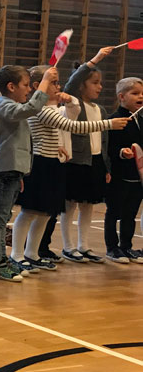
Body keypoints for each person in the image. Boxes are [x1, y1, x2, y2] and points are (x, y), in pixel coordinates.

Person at [11, 65, 125, 275]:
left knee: (45, 213)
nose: (58, 86)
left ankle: (32, 254)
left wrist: (58, 146)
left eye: (58, 82)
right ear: (37, 85)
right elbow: (72, 126)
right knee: (29, 212)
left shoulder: (51, 108)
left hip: (52, 163)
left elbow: (60, 127)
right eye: (53, 82)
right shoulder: (40, 109)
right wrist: (108, 124)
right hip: (39, 165)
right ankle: (16, 255)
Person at [0, 65, 53, 282]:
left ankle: (2, 261)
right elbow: (31, 108)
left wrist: (21, 172)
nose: (29, 90)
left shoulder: (11, 104)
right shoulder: (5, 105)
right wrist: (45, 82)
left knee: (4, 217)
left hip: (13, 171)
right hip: (3, 170)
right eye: (26, 85)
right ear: (11, 87)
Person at [60, 47, 117, 263]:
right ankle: (68, 247)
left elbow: (104, 141)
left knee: (88, 206)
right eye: (95, 82)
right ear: (82, 84)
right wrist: (96, 59)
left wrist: (106, 167)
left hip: (95, 162)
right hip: (76, 163)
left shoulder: (100, 110)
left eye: (100, 83)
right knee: (69, 206)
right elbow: (70, 85)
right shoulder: (73, 103)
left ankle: (83, 246)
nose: (100, 87)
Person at [106, 77, 143, 263]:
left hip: (138, 176)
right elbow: (109, 147)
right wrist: (122, 152)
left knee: (130, 213)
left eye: (142, 93)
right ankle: (112, 248)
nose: (141, 96)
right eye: (135, 93)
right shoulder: (114, 120)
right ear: (121, 97)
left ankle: (126, 246)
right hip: (119, 175)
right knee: (114, 212)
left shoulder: (140, 120)